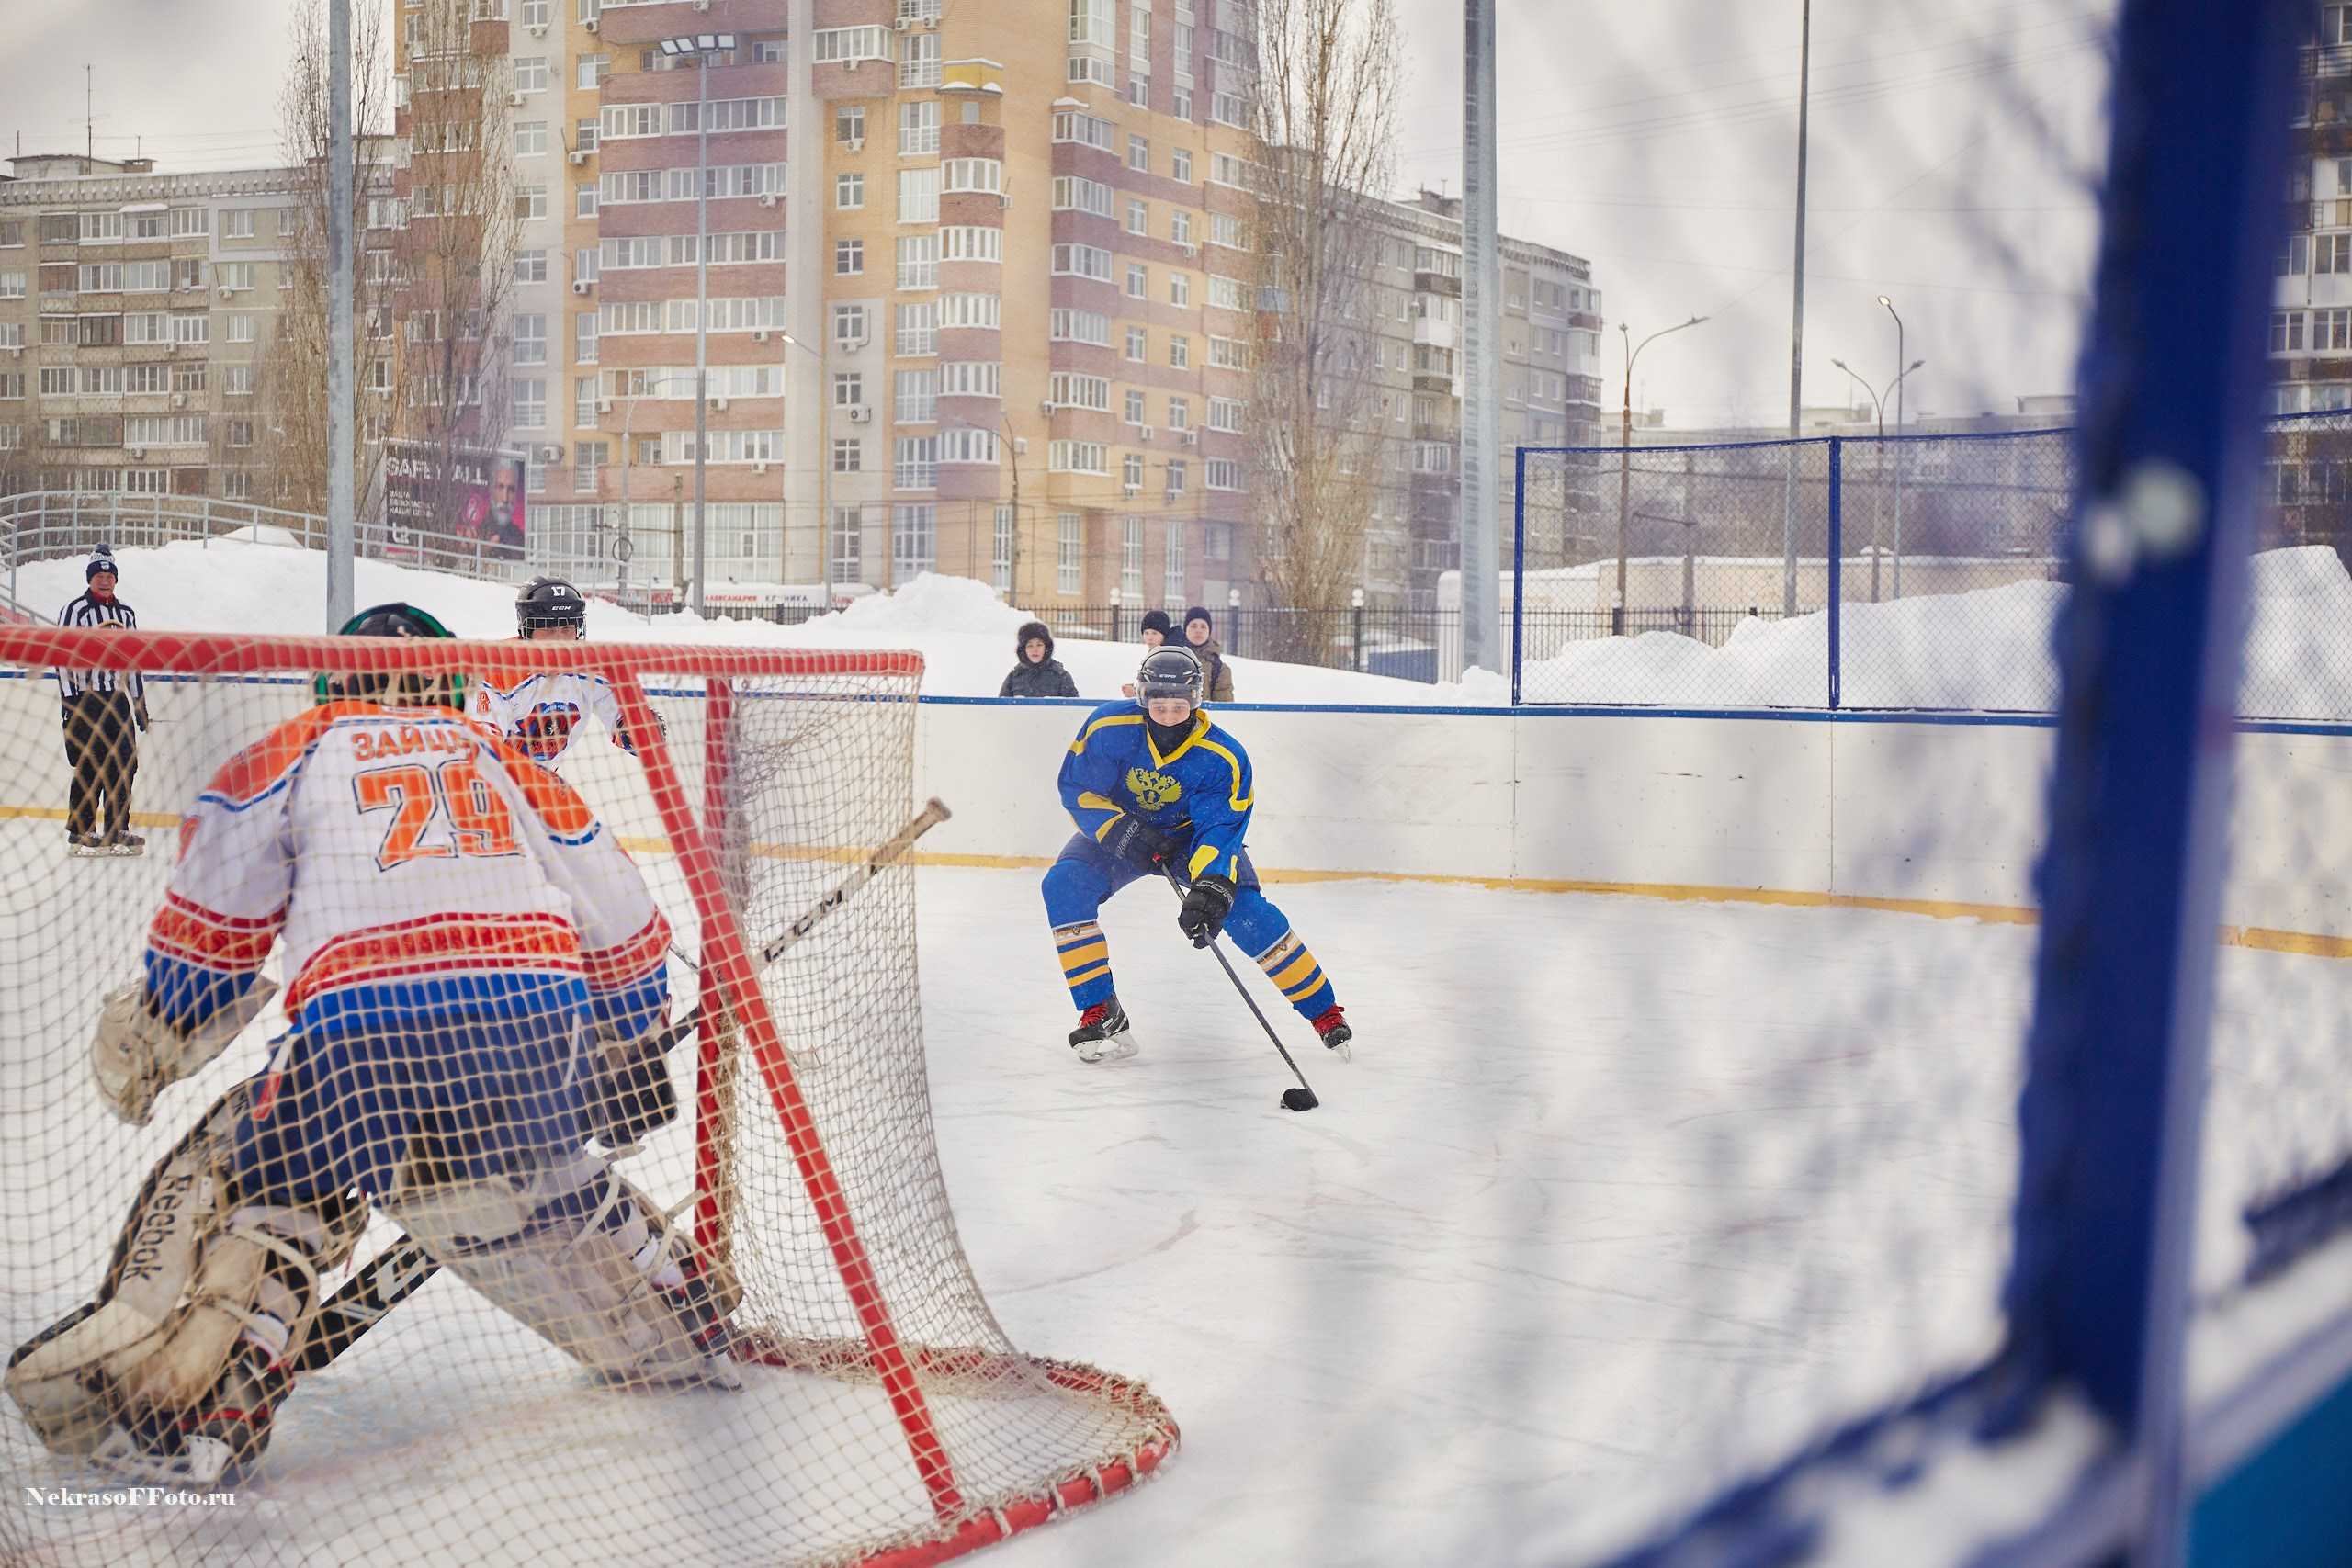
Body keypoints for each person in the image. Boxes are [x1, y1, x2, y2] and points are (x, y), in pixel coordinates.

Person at [5, 603, 730, 1488]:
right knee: (545, 1166)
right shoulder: (496, 752)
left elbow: (213, 925)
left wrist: (165, 1021)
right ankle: (687, 1313)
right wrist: (631, 1032)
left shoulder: (296, 749)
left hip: (361, 1029)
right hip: (537, 1018)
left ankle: (226, 1410)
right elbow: (620, 908)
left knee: (272, 1193)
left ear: (332, 672)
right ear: (448, 676)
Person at [1042, 645, 1351, 1064]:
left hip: (1191, 843)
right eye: (1159, 706)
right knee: (1063, 886)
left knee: (1246, 913)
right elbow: (1078, 788)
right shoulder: (1108, 727)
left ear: (1196, 701)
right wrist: (1123, 832)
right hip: (1122, 835)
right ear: (1142, 698)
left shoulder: (1222, 756)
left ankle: (1325, 1013)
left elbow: (1220, 827)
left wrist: (1209, 887)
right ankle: (1102, 1009)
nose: (1168, 715)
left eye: (1178, 707)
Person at [470, 576, 648, 765]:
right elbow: (482, 747)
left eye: (566, 629)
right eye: (548, 629)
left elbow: (621, 713)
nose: (559, 641)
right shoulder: (499, 667)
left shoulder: (589, 667)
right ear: (527, 630)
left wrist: (637, 730)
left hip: (541, 784)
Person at [55, 546, 150, 855]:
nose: (105, 581)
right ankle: (81, 830)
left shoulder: (126, 614)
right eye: (99, 575)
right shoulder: (75, 610)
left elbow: (132, 662)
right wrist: (70, 701)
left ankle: (117, 829)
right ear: (90, 579)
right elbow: (59, 656)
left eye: (109, 575)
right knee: (90, 763)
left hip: (115, 699)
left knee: (125, 763)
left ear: (116, 580)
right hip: (83, 698)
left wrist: (139, 703)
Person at [999, 618, 1078, 698]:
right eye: (1030, 645)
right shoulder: (1014, 677)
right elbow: (1001, 708)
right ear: (1023, 649)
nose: (1035, 650)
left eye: (1039, 645)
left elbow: (1075, 707)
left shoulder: (1061, 676)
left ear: (1046, 647)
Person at [1182, 606, 1236, 703]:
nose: (1198, 630)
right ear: (1185, 629)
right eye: (1193, 626)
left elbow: (1223, 709)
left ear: (1209, 631)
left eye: (1203, 627)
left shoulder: (1220, 669)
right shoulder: (1172, 660)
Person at [1120, 610, 1175, 699]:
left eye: (1154, 633)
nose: (1149, 638)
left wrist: (1136, 691)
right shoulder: (1156, 653)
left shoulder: (1167, 656)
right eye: (1146, 633)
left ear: (1164, 634)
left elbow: (1165, 690)